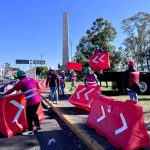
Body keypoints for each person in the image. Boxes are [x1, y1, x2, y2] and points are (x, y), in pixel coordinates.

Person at [0, 70, 41, 135]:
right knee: (33, 113)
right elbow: (37, 87)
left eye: (18, 77)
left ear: (19, 77)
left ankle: (30, 130)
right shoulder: (32, 79)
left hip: (31, 102)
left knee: (29, 116)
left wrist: (3, 95)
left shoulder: (21, 82)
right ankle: (38, 126)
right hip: (38, 100)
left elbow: (12, 90)